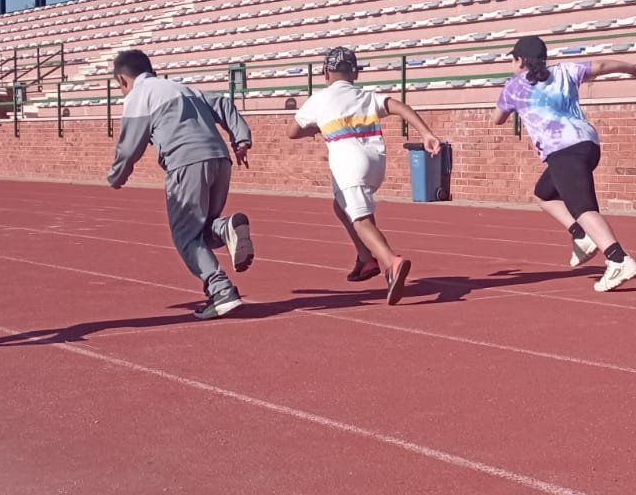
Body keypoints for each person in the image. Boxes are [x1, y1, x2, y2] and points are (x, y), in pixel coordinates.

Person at [494, 36, 636, 292]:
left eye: (513, 59)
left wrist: (512, 104)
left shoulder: (513, 87)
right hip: (587, 144)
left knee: (583, 208)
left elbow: (497, 119)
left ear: (519, 61)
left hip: (562, 149)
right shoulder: (565, 70)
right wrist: (633, 69)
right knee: (543, 194)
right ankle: (581, 235)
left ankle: (618, 259)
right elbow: (602, 66)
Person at [106, 49, 256, 319]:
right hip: (220, 159)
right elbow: (222, 102)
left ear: (122, 80)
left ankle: (221, 290)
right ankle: (224, 227)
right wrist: (241, 137)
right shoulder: (181, 87)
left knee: (185, 236)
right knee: (201, 229)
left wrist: (117, 176)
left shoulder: (139, 96)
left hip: (186, 162)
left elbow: (129, 147)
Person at [288, 47, 442, 304]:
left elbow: (293, 131)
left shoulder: (320, 99)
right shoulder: (365, 95)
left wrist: (317, 128)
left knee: (361, 220)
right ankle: (365, 258)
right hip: (376, 162)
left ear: (325, 72)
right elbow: (398, 106)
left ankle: (390, 261)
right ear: (355, 73)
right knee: (341, 206)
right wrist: (426, 133)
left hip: (348, 163)